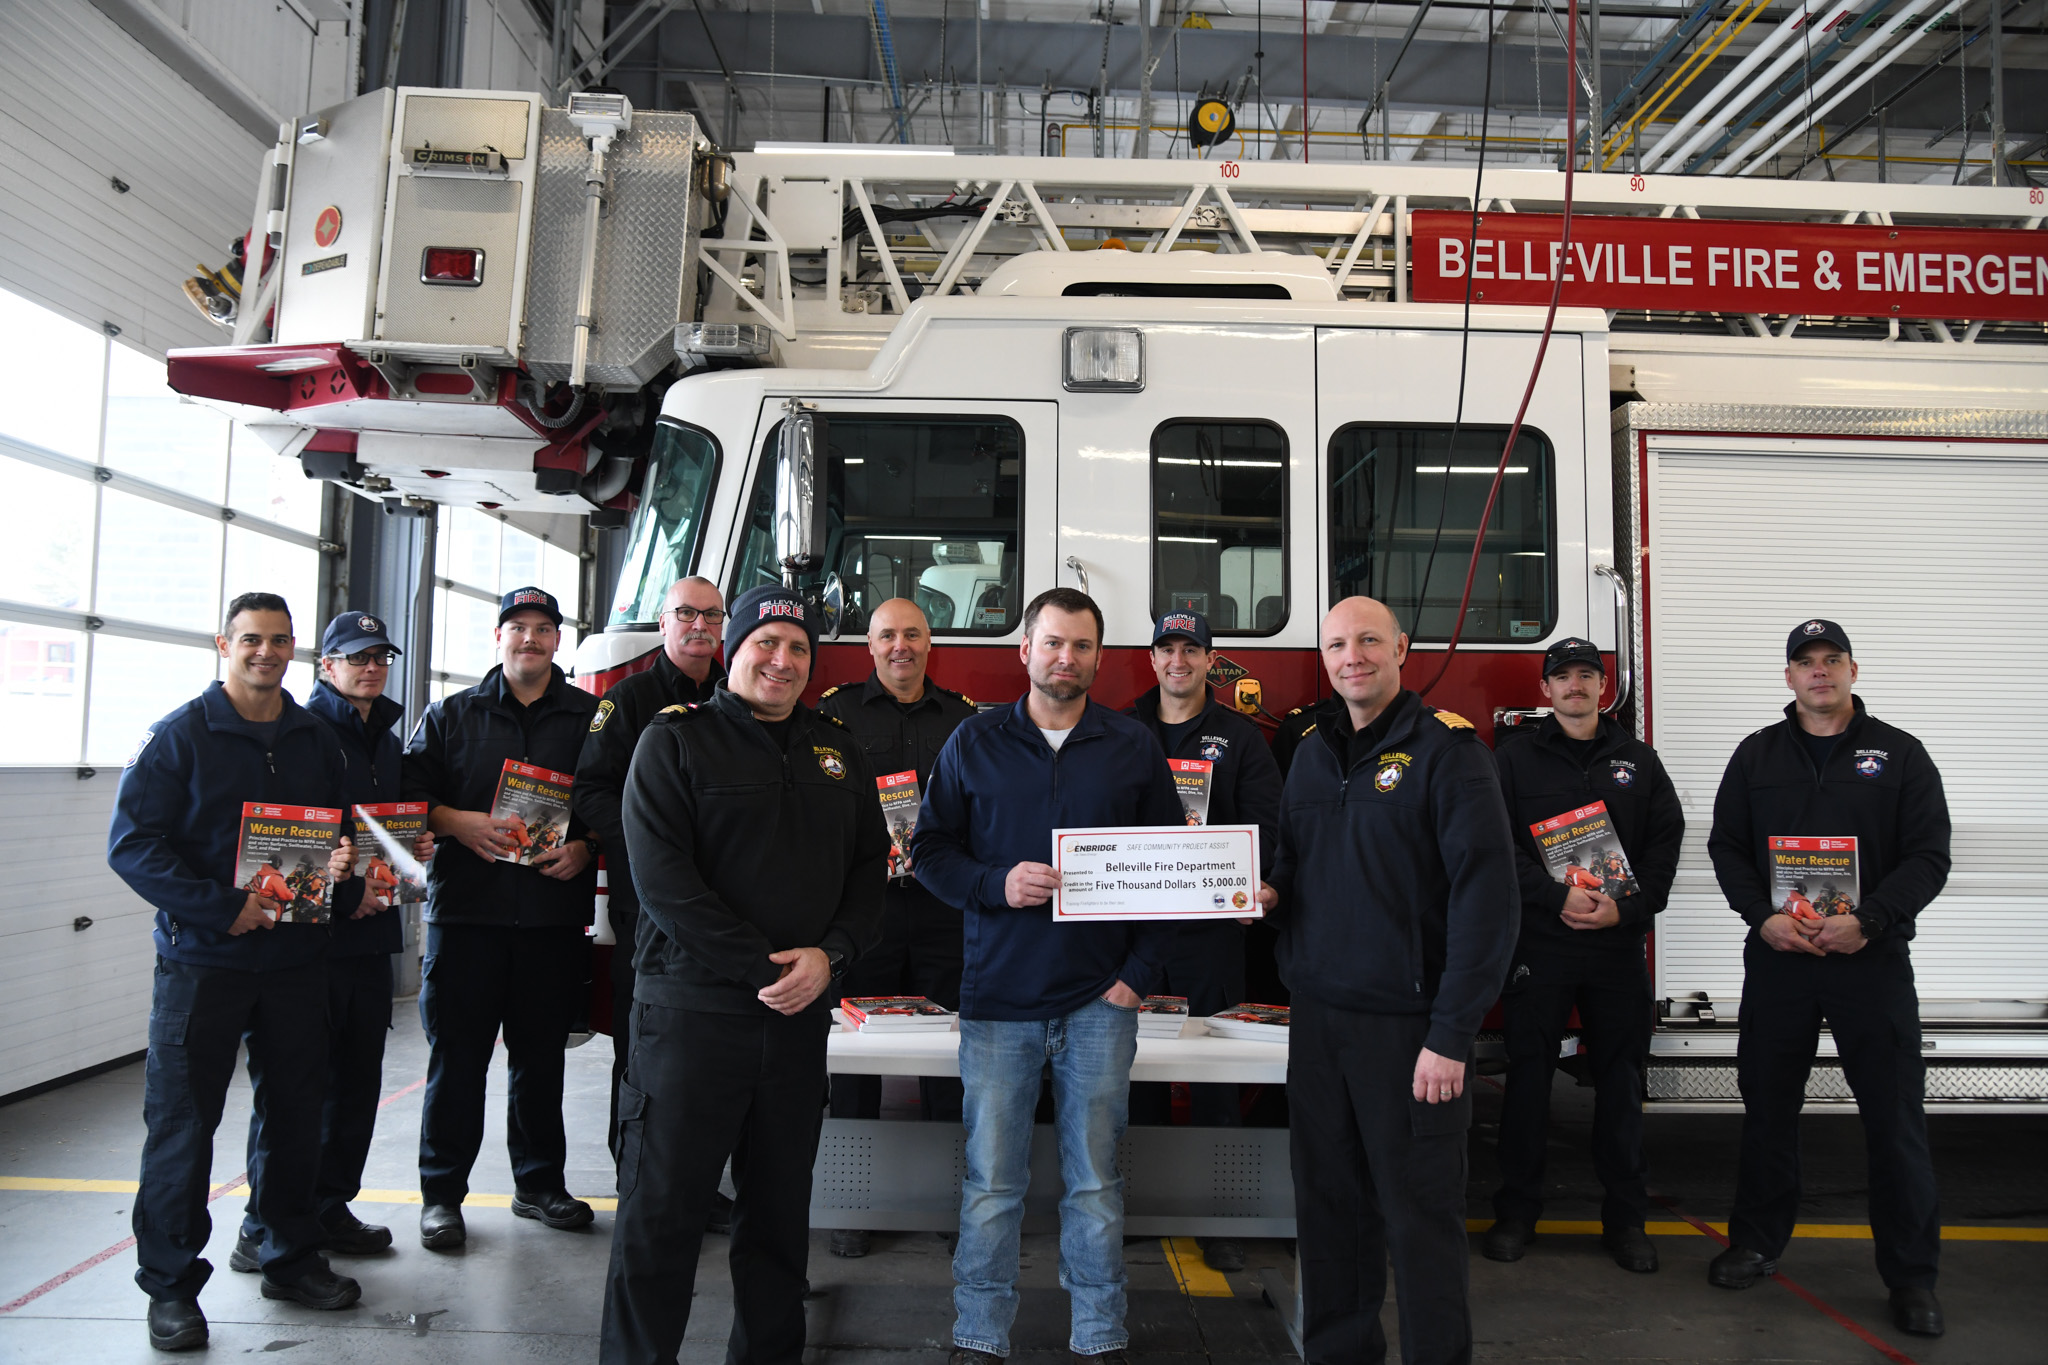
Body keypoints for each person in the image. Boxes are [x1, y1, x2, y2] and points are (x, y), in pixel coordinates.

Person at [601, 586, 888, 1365]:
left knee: (777, 1222)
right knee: (659, 1219)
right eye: (767, 643)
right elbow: (663, 881)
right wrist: (766, 968)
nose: (783, 660)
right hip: (690, 1020)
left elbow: (871, 867)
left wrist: (832, 955)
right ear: (732, 649)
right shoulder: (674, 743)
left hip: (795, 1023)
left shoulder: (839, 746)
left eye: (799, 648)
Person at [913, 587, 1183, 1365]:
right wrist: (997, 884)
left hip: (1103, 1001)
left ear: (1100, 657)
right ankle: (978, 1332)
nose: (1067, 658)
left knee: (1096, 1184)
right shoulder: (973, 742)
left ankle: (1100, 1333)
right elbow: (930, 852)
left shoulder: (1132, 746)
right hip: (999, 1000)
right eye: (1053, 642)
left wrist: (1138, 973)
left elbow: (1171, 869)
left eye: (1082, 646)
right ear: (1023, 649)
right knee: (992, 1183)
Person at [1262, 596, 1517, 1365]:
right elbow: (1295, 863)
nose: (1353, 656)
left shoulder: (1449, 752)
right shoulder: (1309, 750)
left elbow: (1489, 900)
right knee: (1330, 1215)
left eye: (1369, 640)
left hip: (1410, 1034)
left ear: (1401, 647)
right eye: (1337, 643)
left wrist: (1451, 1035)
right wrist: (1264, 893)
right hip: (1318, 1025)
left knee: (1419, 1223)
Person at [108, 592, 365, 1351]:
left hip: (294, 962)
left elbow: (340, 836)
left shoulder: (315, 738)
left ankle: (289, 1255)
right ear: (224, 642)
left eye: (280, 640)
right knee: (184, 1127)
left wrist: (344, 870)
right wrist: (223, 907)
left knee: (294, 1119)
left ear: (296, 650)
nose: (267, 652)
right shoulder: (180, 738)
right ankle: (171, 1287)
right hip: (204, 964)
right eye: (252, 639)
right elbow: (133, 846)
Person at [1704, 619, 1952, 1338]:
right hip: (1780, 959)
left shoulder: (1900, 755)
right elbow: (1726, 846)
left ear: (1852, 669)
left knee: (1894, 1119)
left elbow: (1928, 855)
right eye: (1805, 662)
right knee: (1768, 1109)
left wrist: (1869, 919)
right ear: (1788, 677)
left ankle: (1911, 1276)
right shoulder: (1756, 755)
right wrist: (1761, 916)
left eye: (1831, 660)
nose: (1819, 672)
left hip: (1868, 963)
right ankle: (1754, 1241)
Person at [230, 613, 437, 1276]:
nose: (371, 667)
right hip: (311, 941)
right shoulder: (304, 730)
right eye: (356, 657)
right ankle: (260, 1222)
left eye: (380, 656)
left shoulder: (385, 734)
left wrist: (412, 848)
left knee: (355, 1083)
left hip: (371, 934)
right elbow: (287, 831)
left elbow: (382, 824)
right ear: (327, 665)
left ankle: (326, 1204)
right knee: (296, 1088)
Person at [402, 587, 600, 1251]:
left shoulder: (588, 716)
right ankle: (441, 1196)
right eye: (519, 628)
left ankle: (540, 1184)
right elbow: (408, 800)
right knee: (456, 1062)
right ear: (498, 637)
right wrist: (458, 822)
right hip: (466, 918)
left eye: (544, 628)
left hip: (549, 919)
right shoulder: (452, 715)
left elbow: (617, 798)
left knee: (540, 1062)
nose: (531, 640)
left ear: (557, 641)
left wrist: (584, 847)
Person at [1481, 637, 1684, 1273]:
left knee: (1621, 1084)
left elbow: (1664, 843)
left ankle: (1626, 1221)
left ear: (1605, 687)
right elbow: (1495, 843)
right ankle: (1517, 1213)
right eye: (1562, 676)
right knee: (1528, 1081)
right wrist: (1553, 896)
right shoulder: (1512, 761)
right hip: (1542, 941)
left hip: (1617, 946)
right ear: (1545, 689)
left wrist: (1628, 908)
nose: (1574, 686)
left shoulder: (1639, 762)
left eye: (1586, 676)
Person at [816, 597, 979, 1259]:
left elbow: (982, 807)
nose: (901, 646)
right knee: (857, 1062)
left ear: (929, 643)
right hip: (866, 913)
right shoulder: (834, 714)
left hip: (945, 913)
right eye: (888, 635)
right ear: (871, 646)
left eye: (912, 634)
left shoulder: (965, 719)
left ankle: (949, 1201)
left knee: (949, 1061)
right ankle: (853, 1204)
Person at [1120, 609, 1281, 1274]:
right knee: (1135, 1073)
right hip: (1131, 930)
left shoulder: (1240, 738)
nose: (1178, 661)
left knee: (1217, 1075)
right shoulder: (1120, 729)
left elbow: (1269, 823)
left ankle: (1222, 1218)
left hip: (1213, 930)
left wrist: (1256, 883)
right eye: (1167, 649)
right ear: (1152, 659)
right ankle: (1140, 1204)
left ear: (1211, 661)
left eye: (1192, 649)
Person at [572, 575, 730, 1216]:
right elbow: (590, 793)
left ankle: (702, 1186)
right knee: (644, 1049)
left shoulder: (737, 695)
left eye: (711, 615)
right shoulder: (628, 701)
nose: (699, 626)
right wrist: (657, 848)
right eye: (685, 613)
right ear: (663, 624)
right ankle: (636, 1180)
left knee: (715, 1051)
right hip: (653, 908)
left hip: (727, 906)